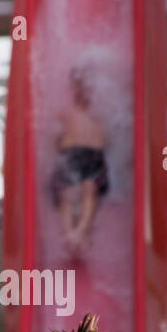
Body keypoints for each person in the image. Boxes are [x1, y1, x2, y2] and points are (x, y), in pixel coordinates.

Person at [50, 65, 109, 253]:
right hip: (70, 154)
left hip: (93, 156)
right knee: (66, 194)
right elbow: (53, 139)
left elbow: (110, 140)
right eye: (79, 85)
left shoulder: (100, 113)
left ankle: (81, 232)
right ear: (74, 87)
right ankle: (69, 234)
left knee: (89, 190)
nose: (83, 89)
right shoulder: (65, 112)